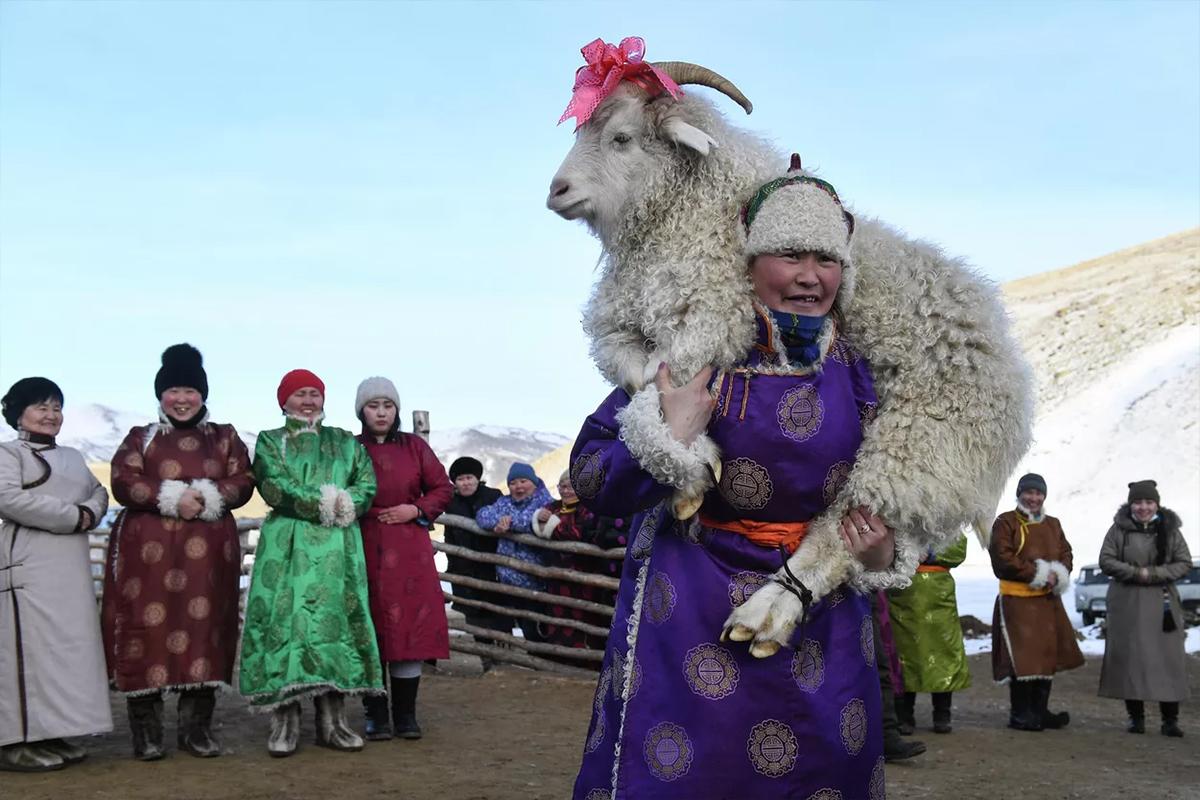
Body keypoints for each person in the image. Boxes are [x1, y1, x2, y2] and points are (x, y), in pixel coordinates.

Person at [569, 161, 893, 798]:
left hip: (821, 616)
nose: (809, 276)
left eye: (827, 259)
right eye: (789, 255)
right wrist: (671, 438)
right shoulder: (691, 354)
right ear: (748, 264)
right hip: (688, 610)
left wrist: (885, 549)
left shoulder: (864, 374)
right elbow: (591, 474)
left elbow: (907, 489)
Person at [102, 345, 254, 760]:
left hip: (208, 558)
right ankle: (147, 733)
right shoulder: (142, 437)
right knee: (144, 632)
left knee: (206, 632)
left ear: (203, 395)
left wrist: (204, 495)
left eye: (191, 390)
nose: (182, 399)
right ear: (160, 395)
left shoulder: (225, 437)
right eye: (174, 391)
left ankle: (196, 731)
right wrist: (171, 497)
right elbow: (123, 480)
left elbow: (244, 481)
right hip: (147, 560)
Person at [238, 369, 382, 757]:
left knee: (333, 628)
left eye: (314, 394)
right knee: (285, 625)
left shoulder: (346, 442)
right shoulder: (271, 441)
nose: (307, 401)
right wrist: (324, 503)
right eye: (299, 394)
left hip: (337, 549)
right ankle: (284, 721)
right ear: (284, 401)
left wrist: (348, 501)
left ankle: (332, 721)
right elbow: (273, 484)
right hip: (288, 546)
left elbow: (366, 483)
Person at [0, 378, 111, 772]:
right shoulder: (7, 454)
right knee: (22, 650)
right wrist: (72, 516)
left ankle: (51, 731)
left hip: (68, 568)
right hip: (27, 566)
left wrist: (90, 513)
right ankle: (13, 742)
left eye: (56, 407)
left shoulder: (74, 457)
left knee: (59, 652)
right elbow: (7, 498)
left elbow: (99, 493)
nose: (51, 415)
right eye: (40, 407)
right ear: (17, 413)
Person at [354, 377, 453, 740]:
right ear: (361, 411)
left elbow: (443, 488)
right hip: (362, 544)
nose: (381, 412)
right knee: (369, 627)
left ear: (395, 410)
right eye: (373, 406)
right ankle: (375, 715)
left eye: (387, 406)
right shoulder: (350, 449)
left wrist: (415, 509)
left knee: (408, 627)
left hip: (410, 548)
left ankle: (406, 715)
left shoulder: (414, 448)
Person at [989, 473, 1084, 732]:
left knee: (1046, 655)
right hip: (1017, 601)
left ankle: (1040, 712)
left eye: (1038, 493)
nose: (1033, 498)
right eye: (1028, 493)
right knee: (1023, 659)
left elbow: (1066, 552)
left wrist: (1058, 574)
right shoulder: (1005, 522)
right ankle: (1020, 714)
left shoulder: (1053, 524)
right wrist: (1037, 574)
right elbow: (1002, 558)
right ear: (1019, 494)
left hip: (1047, 601)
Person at [1098, 480, 1191, 737]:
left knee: (1167, 660)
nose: (1143, 507)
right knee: (1132, 661)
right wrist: (1135, 573)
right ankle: (1135, 719)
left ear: (1157, 504)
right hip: (1127, 603)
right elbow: (1105, 560)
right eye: (1138, 502)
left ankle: (1170, 720)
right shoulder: (1119, 529)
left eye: (1149, 502)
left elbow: (1184, 562)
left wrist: (1153, 574)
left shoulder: (1171, 531)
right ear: (1131, 504)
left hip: (1162, 605)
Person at [531, 471, 622, 656]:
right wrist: (540, 521)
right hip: (556, 575)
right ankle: (562, 657)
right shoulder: (552, 507)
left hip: (584, 576)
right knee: (558, 616)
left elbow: (581, 533)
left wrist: (551, 525)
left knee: (585, 617)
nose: (566, 491)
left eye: (571, 487)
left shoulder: (589, 508)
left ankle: (586, 659)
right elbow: (537, 529)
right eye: (562, 487)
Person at [889, 534, 971, 734]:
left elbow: (958, 550)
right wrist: (911, 553)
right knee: (905, 655)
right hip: (903, 592)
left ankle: (942, 714)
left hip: (939, 594)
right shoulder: (900, 517)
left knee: (943, 652)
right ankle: (905, 716)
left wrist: (931, 553)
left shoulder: (948, 519)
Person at [475, 463, 554, 643]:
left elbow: (538, 524)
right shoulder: (505, 502)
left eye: (523, 481)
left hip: (533, 582)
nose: (518, 487)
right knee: (504, 627)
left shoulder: (545, 502)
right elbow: (482, 515)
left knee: (534, 632)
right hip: (506, 580)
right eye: (513, 483)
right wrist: (498, 521)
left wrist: (509, 523)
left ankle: (539, 667)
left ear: (533, 482)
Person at [443, 456, 508, 670]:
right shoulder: (451, 503)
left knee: (499, 616)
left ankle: (502, 661)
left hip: (493, 569)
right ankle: (486, 662)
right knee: (475, 619)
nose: (466, 483)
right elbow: (449, 537)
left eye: (469, 477)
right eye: (460, 479)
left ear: (478, 478)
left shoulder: (493, 496)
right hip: (464, 571)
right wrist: (453, 569)